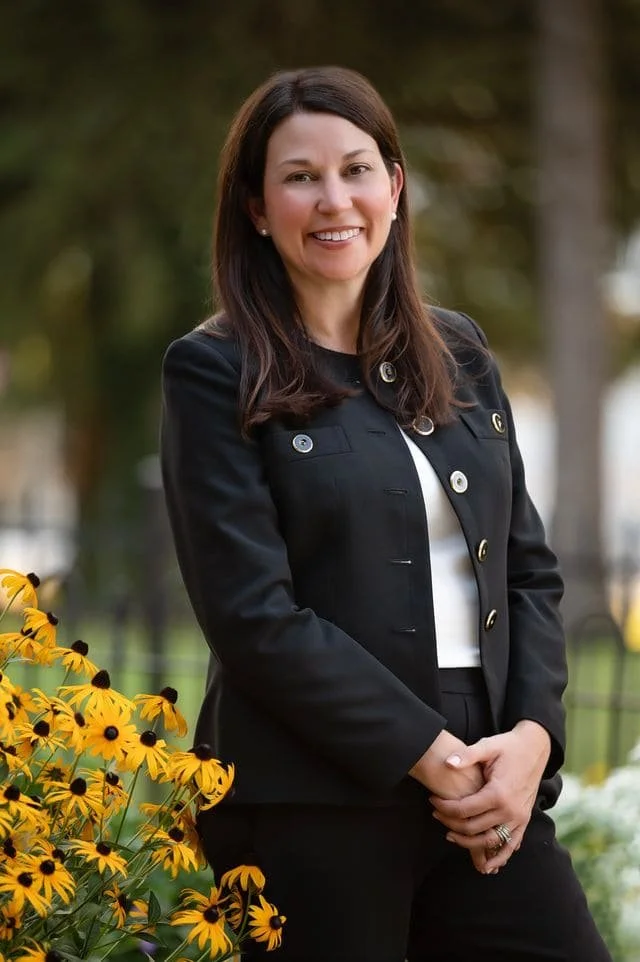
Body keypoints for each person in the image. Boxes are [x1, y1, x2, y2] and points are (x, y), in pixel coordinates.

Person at [160, 65, 611, 962]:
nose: (335, 200)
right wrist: (427, 752)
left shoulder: (461, 352)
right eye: (300, 176)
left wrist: (529, 742)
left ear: (395, 190)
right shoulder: (214, 371)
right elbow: (253, 616)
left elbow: (527, 568)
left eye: (357, 169)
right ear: (255, 206)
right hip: (311, 793)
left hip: (485, 781)